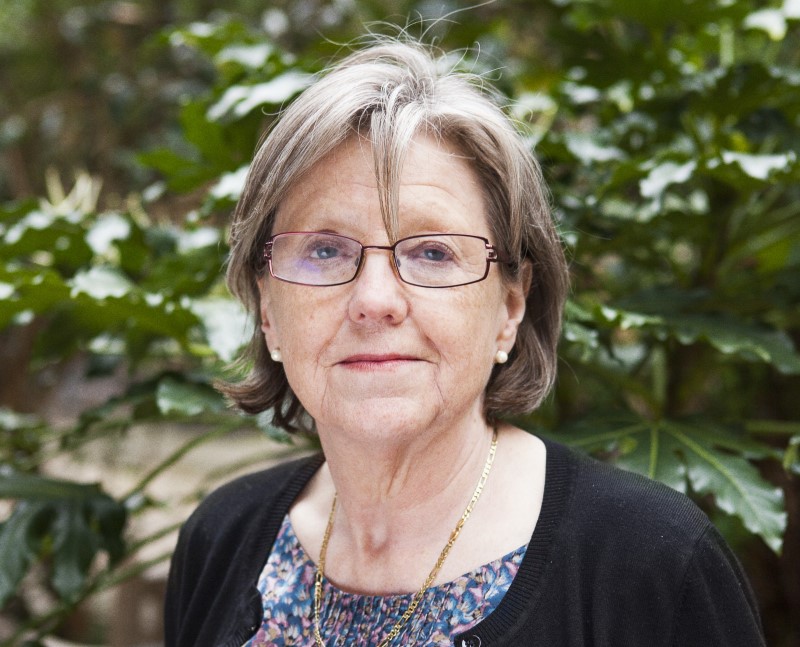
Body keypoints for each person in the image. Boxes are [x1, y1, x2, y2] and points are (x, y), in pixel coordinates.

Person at [164, 39, 766, 647]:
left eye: (432, 252)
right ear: (268, 309)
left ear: (509, 307)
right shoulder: (221, 539)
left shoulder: (650, 562)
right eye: (324, 249)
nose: (376, 300)